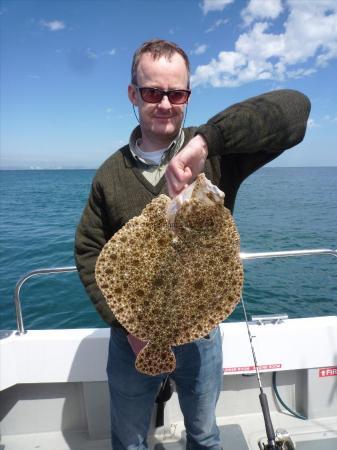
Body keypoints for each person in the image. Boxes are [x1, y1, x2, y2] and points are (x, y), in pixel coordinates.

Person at [75, 39, 310, 450]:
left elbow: (296, 110)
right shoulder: (109, 174)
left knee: (204, 434)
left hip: (201, 334)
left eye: (177, 93)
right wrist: (127, 324)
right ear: (133, 94)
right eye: (152, 92)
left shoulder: (216, 155)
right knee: (129, 442)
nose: (165, 103)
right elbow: (89, 249)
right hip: (131, 338)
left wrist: (206, 142)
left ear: (188, 96)